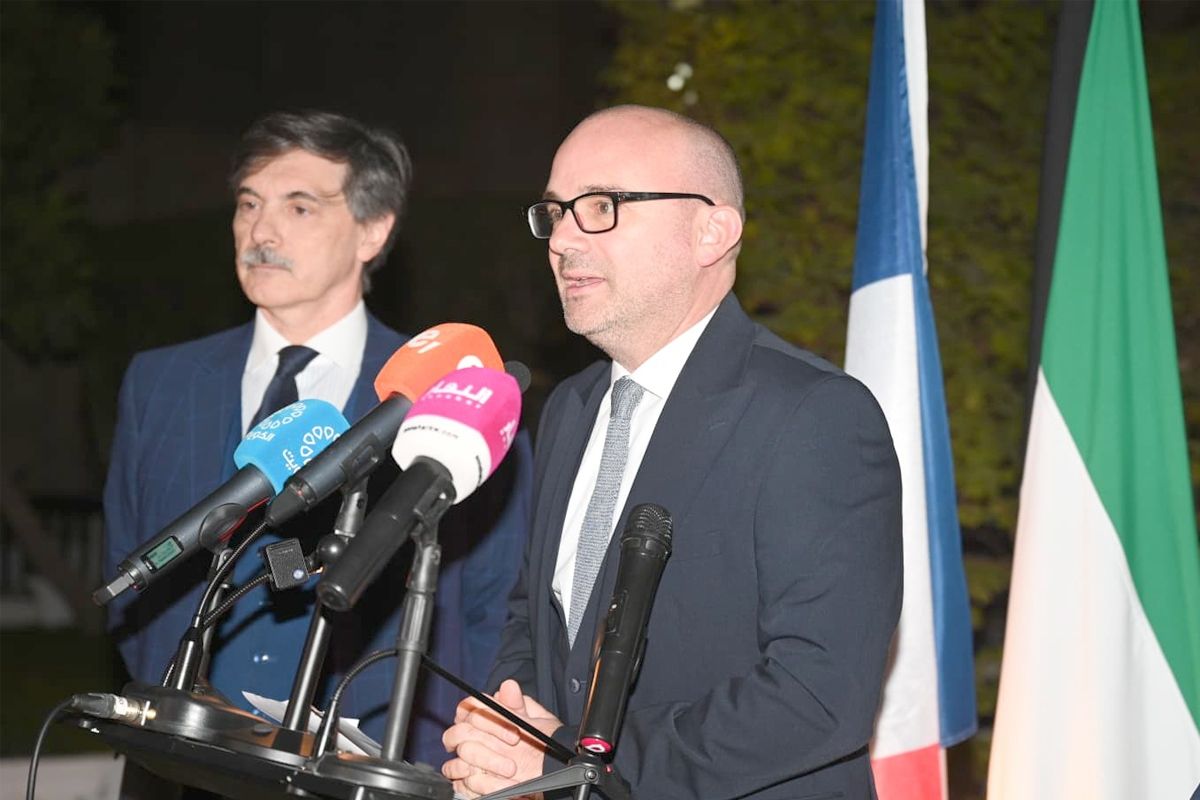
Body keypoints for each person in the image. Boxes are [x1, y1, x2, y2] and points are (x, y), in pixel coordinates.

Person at [441, 105, 902, 798]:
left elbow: (817, 695)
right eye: (555, 212)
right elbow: (534, 621)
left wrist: (580, 765)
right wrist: (507, 738)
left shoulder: (815, 414)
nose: (562, 238)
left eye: (601, 206)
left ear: (712, 231)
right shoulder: (570, 408)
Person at [103, 110, 531, 770]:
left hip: (372, 769)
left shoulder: (457, 399)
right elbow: (130, 582)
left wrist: (415, 759)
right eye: (249, 204)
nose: (261, 231)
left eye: (298, 207)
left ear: (373, 229)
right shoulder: (158, 383)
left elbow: (494, 610)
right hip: (178, 763)